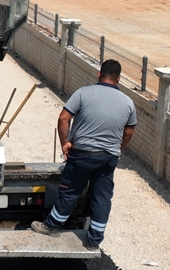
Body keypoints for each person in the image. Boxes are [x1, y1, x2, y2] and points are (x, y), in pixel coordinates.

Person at [32, 59, 136, 250]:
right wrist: (118, 148)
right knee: (102, 197)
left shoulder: (83, 93)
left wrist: (65, 143)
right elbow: (129, 131)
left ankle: (52, 226)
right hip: (108, 157)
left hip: (82, 155)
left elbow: (64, 118)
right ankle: (94, 241)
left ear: (99, 74)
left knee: (70, 191)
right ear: (119, 79)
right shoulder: (128, 103)